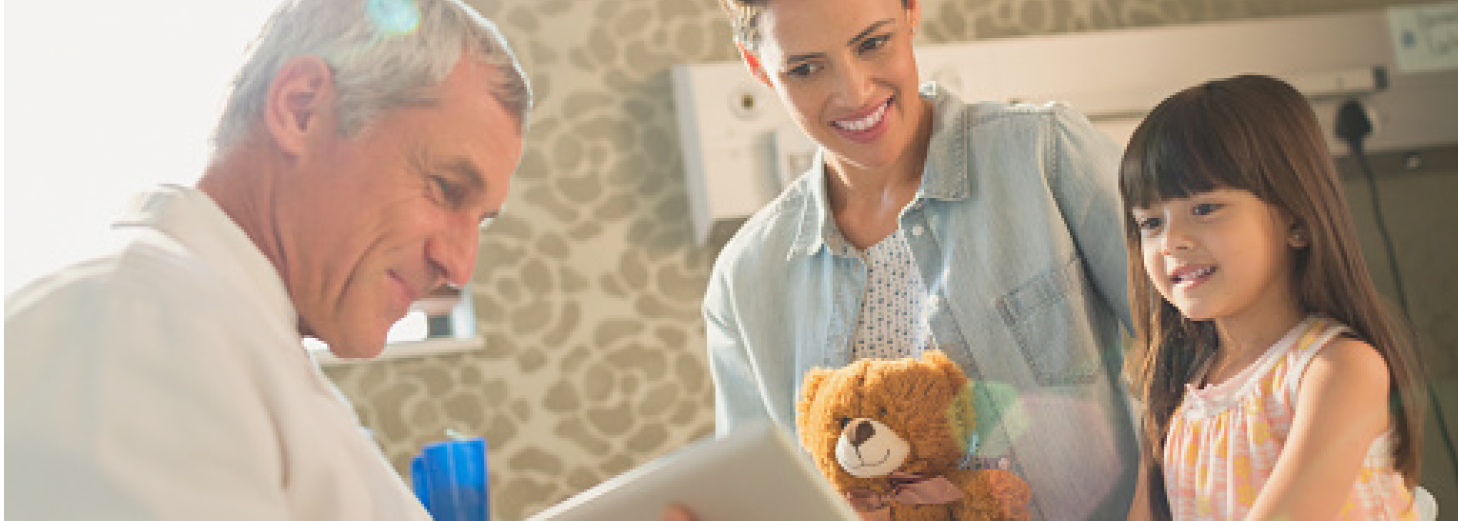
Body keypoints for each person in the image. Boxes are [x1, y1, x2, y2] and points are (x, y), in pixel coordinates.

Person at [5, 0, 531, 517]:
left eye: (480, 220)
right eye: (445, 188)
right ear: (301, 108)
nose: (459, 267)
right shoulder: (138, 323)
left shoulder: (232, 338)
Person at [704, 0, 1139, 518]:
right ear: (758, 68)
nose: (854, 92)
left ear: (911, 11)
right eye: (805, 69)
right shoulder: (745, 280)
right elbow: (761, 503)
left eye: (872, 43)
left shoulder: (1044, 154)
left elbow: (1206, 355)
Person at [1119, 75, 1427, 520]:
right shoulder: (1173, 389)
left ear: (1296, 222)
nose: (1171, 241)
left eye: (1204, 209)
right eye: (1151, 223)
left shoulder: (1336, 369)